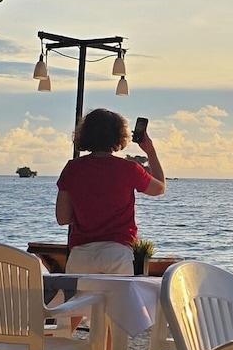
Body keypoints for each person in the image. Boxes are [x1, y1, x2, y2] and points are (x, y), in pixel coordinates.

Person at [55, 110, 165, 274]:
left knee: (81, 301)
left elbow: (63, 218)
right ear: (119, 135)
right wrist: (150, 151)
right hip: (117, 254)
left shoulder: (72, 168)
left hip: (81, 256)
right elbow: (160, 188)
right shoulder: (129, 169)